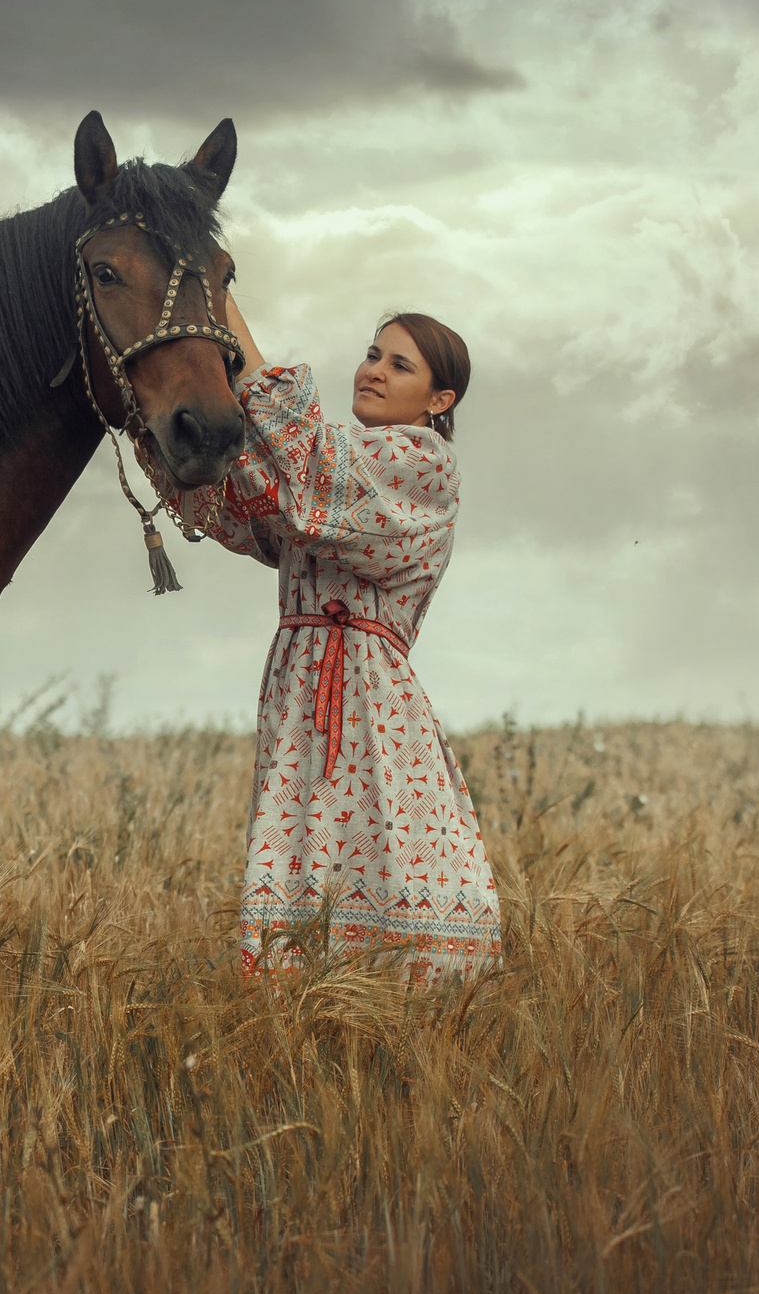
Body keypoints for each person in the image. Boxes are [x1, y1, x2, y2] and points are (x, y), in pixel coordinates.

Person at [142, 302, 502, 984]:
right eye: (373, 354)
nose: (374, 371)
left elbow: (308, 475)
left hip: (370, 700)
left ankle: (400, 1016)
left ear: (440, 398)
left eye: (400, 364)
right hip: (300, 687)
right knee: (304, 853)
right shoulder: (334, 471)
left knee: (381, 855)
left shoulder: (423, 465)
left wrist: (224, 311)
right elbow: (252, 505)